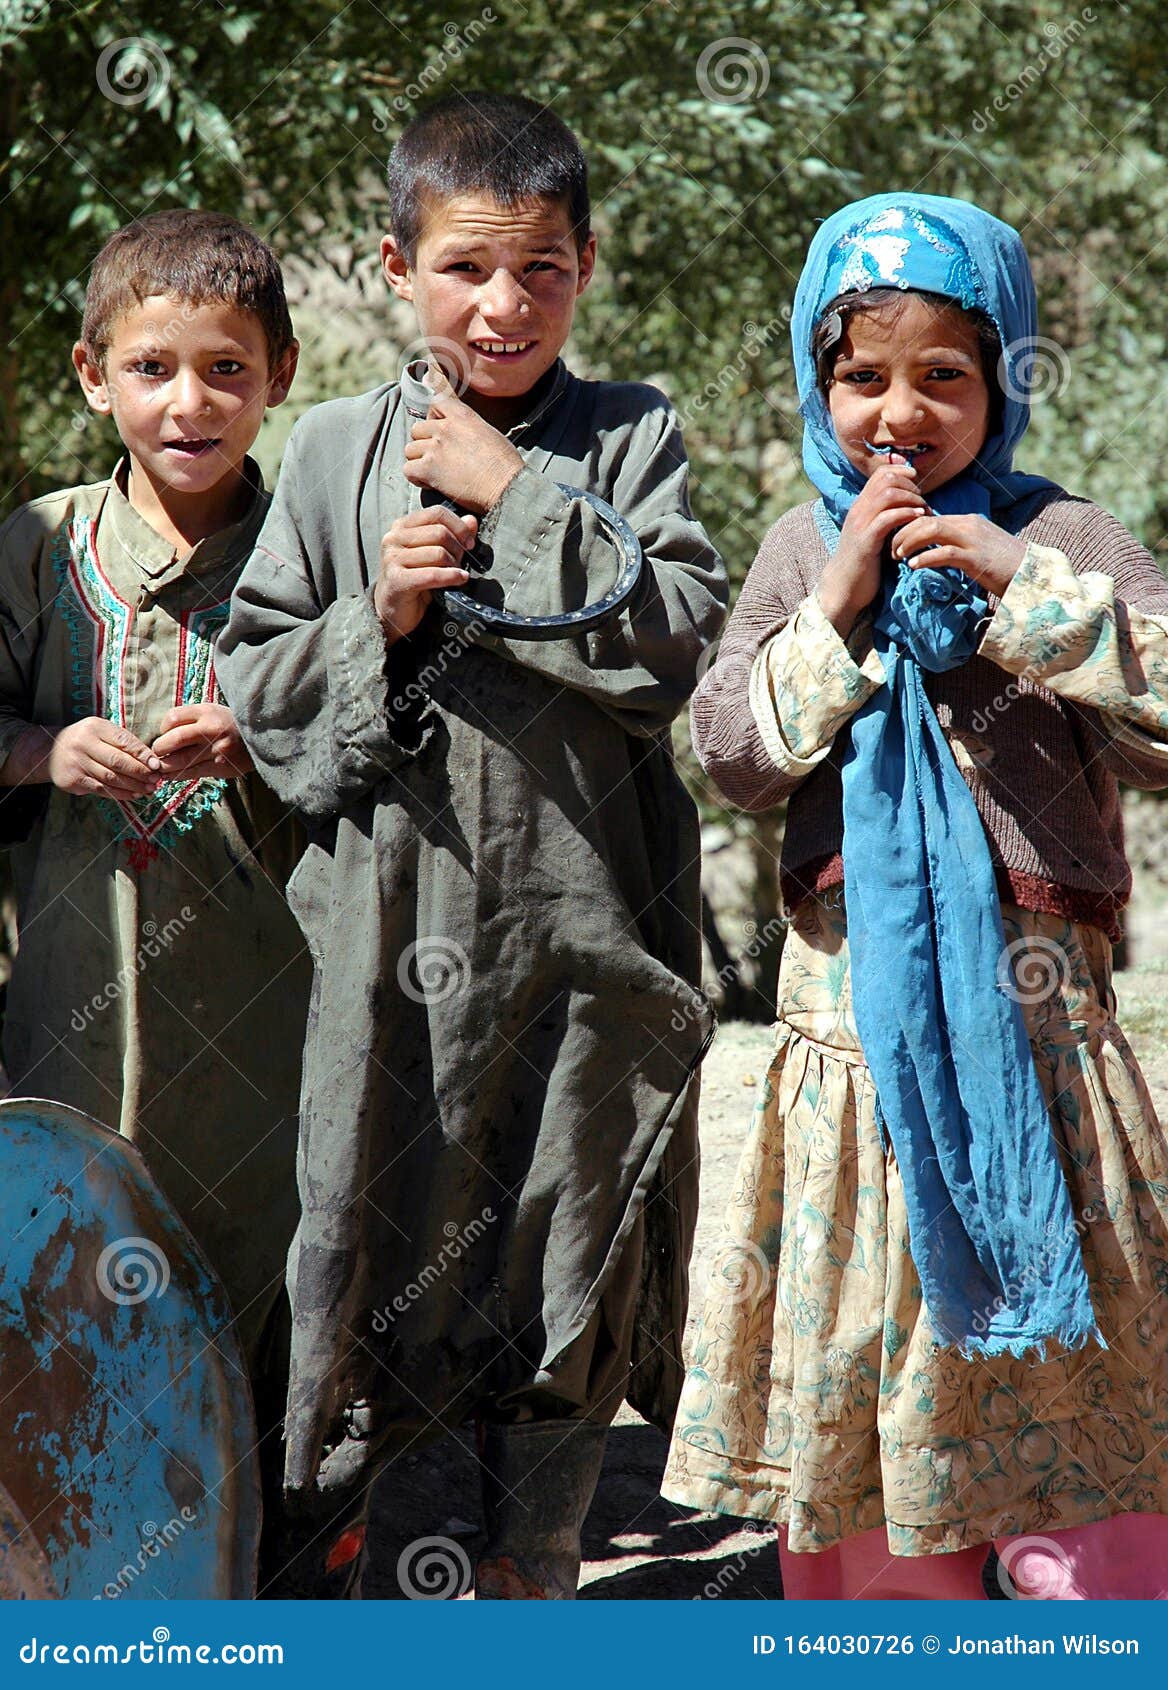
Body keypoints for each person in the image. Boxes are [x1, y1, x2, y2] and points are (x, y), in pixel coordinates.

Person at [216, 91, 727, 1600]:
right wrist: (377, 620)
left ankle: (537, 1586)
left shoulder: (627, 437)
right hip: (386, 970)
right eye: (465, 270)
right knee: (388, 1270)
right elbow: (262, 697)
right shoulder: (325, 453)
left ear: (585, 265)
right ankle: (408, 1602)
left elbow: (677, 644)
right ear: (394, 264)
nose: (504, 308)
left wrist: (518, 498)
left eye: (542, 272)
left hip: (586, 958)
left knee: (568, 1266)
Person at [661, 192, 1168, 1601]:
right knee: (874, 1364)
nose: (900, 411)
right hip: (854, 1064)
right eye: (862, 375)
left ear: (1003, 379)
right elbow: (732, 757)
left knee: (1072, 1396)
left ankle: (1086, 1615)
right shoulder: (793, 553)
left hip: (1043, 1052)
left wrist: (1029, 590)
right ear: (819, 388)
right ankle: (896, 1618)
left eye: (944, 375)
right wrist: (831, 605)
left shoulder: (1065, 531)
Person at [0, 208, 312, 1514]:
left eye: (228, 368)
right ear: (92, 373)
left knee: (254, 1344)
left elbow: (392, 744)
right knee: (60, 1344)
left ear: (279, 378)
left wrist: (268, 734)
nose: (190, 402)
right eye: (152, 367)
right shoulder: (36, 546)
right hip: (63, 1040)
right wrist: (39, 751)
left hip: (266, 1063)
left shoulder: (314, 552)